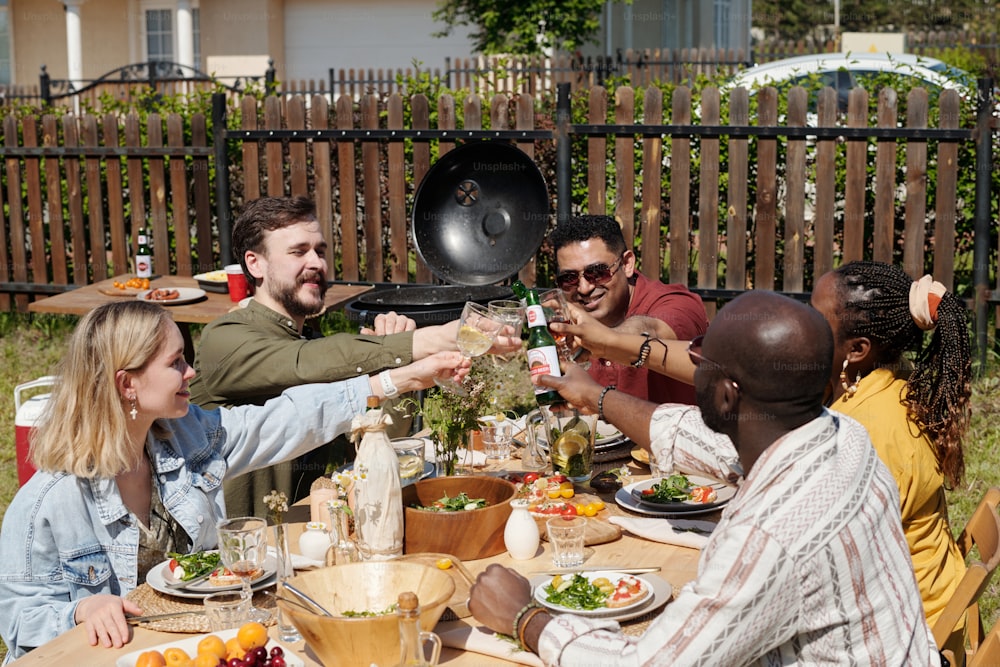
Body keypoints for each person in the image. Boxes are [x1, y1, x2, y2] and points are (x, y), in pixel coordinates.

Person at [469, 291, 940, 665]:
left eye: (701, 361)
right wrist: (597, 396)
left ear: (729, 397)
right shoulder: (844, 435)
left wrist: (525, 618)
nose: (690, 365)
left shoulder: (768, 537)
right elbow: (704, 439)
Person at [0, 300, 467, 661]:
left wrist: (400, 379)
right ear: (128, 384)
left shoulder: (185, 436)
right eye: (175, 362)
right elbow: (16, 617)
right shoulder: (48, 500)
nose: (191, 372)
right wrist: (79, 611)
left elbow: (287, 418)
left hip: (201, 650)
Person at [190, 196, 513, 517]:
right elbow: (301, 363)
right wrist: (425, 340)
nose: (316, 263)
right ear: (254, 263)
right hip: (227, 556)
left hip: (310, 538)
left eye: (320, 251)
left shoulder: (317, 345)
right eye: (298, 251)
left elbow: (377, 444)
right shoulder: (224, 339)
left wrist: (395, 365)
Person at [811, 261, 970, 657]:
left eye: (815, 320)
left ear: (858, 350)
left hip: (908, 639)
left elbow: (826, 562)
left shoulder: (865, 432)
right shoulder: (894, 382)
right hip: (933, 610)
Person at [549, 214, 707, 404]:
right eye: (569, 278)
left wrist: (608, 340)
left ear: (627, 264)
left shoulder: (675, 303)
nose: (584, 288)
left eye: (597, 273)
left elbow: (652, 329)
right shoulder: (569, 325)